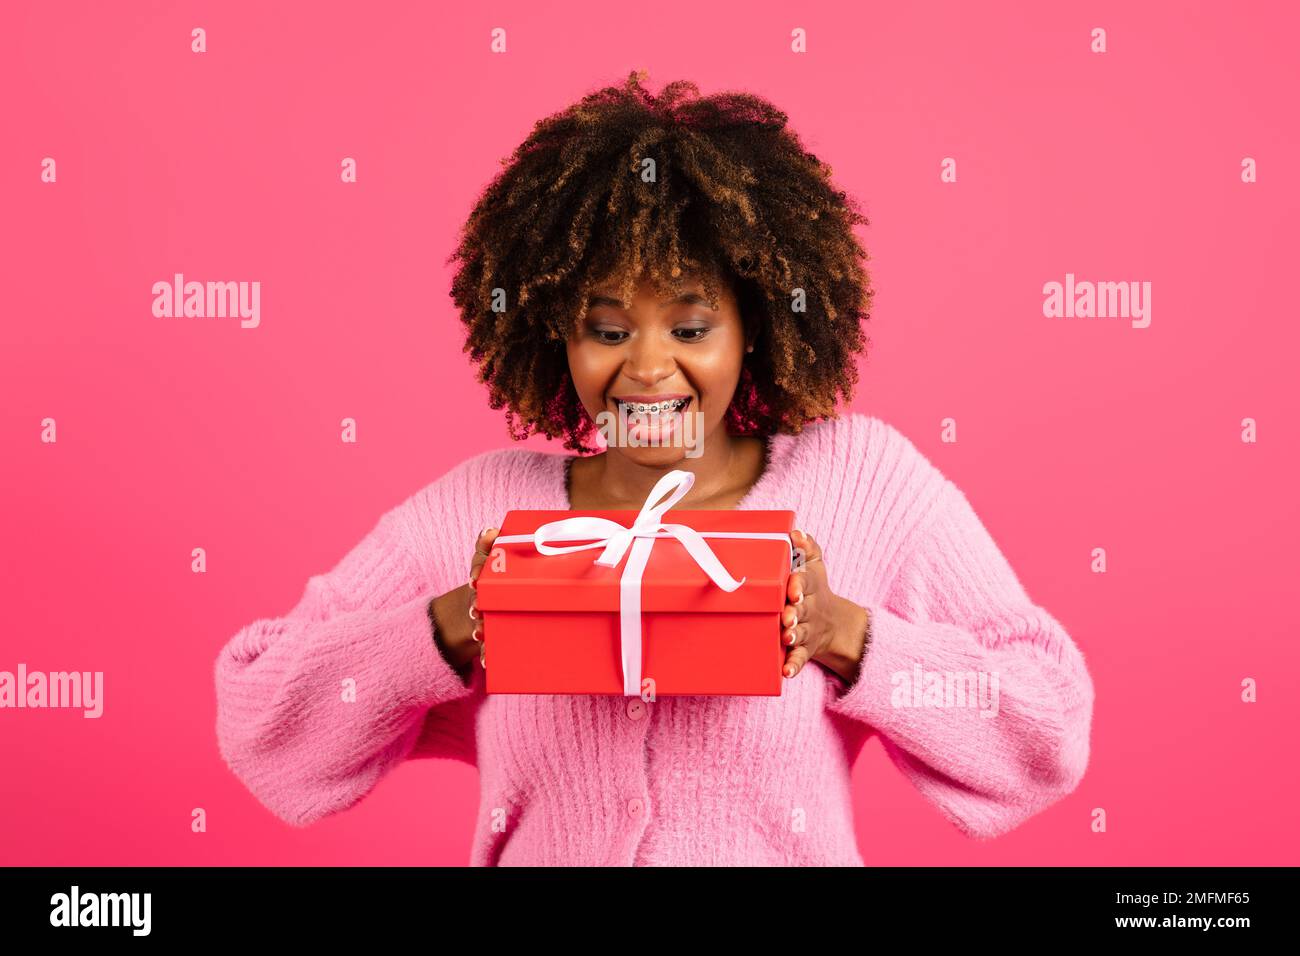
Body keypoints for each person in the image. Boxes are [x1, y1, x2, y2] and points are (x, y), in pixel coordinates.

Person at [214, 71, 1095, 866]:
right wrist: (453, 624)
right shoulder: (480, 510)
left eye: (689, 327)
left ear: (754, 328)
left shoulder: (862, 482)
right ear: (554, 335)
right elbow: (260, 721)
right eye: (605, 330)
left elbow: (1046, 725)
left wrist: (843, 634)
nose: (645, 368)